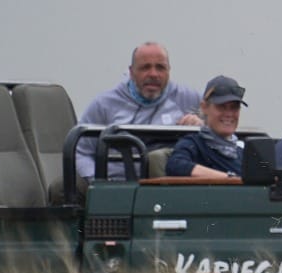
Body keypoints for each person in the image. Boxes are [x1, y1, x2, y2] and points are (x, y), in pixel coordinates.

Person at [75, 42, 201, 180]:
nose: (153, 74)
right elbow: (81, 152)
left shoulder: (189, 98)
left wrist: (203, 128)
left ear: (169, 71)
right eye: (145, 67)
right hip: (116, 184)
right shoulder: (104, 104)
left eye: (160, 68)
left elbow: (221, 141)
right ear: (131, 72)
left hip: (168, 186)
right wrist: (97, 181)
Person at [165, 75, 248, 178]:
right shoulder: (193, 144)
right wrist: (229, 178)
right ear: (204, 107)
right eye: (221, 106)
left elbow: (267, 173)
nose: (229, 114)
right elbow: (175, 165)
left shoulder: (246, 150)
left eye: (234, 107)